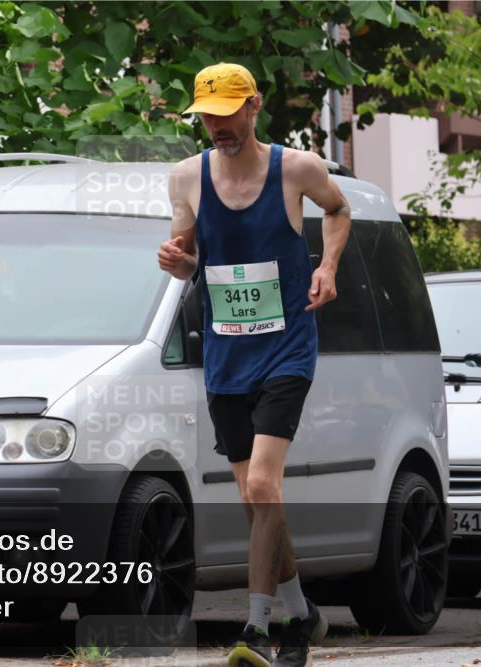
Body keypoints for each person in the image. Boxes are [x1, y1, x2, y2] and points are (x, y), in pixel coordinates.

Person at [157, 62, 351, 667]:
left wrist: (327, 267)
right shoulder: (186, 178)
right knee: (253, 496)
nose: (217, 126)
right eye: (207, 117)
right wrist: (175, 260)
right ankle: (303, 612)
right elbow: (190, 262)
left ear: (253, 106)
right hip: (225, 355)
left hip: (287, 347)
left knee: (264, 484)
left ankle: (260, 628)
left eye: (226, 113)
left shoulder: (296, 168)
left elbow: (339, 210)